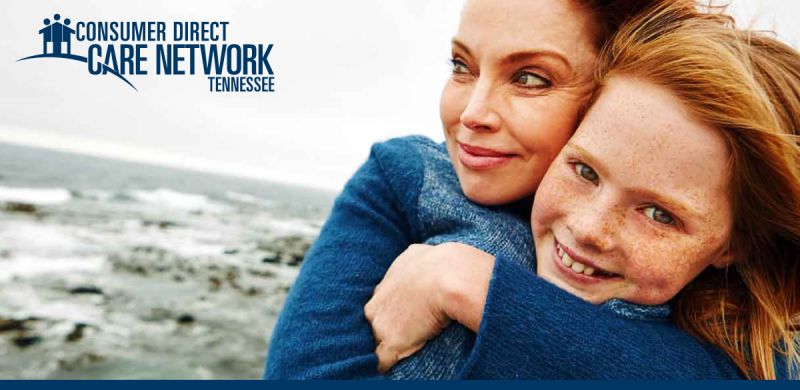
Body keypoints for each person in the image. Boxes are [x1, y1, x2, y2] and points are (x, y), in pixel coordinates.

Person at [264, 0, 705, 379]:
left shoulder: (688, 222)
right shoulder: (404, 177)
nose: (473, 113)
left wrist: (471, 285)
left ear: (618, 91)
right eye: (462, 67)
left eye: (530, 78)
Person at [365, 2, 800, 380]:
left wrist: (475, 289)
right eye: (585, 171)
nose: (590, 228)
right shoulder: (412, 178)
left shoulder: (750, 352)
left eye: (659, 214)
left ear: (735, 243)